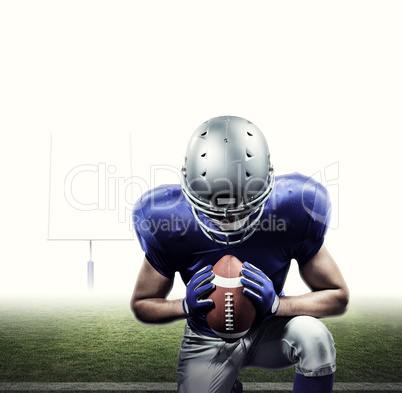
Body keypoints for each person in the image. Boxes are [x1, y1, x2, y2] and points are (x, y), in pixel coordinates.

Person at [131, 115, 349, 393]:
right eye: (214, 206)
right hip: (205, 338)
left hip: (271, 329)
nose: (229, 219)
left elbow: (337, 296)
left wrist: (278, 306)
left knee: (315, 338)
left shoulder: (294, 207)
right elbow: (142, 303)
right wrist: (182, 307)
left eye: (243, 207)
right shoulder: (166, 219)